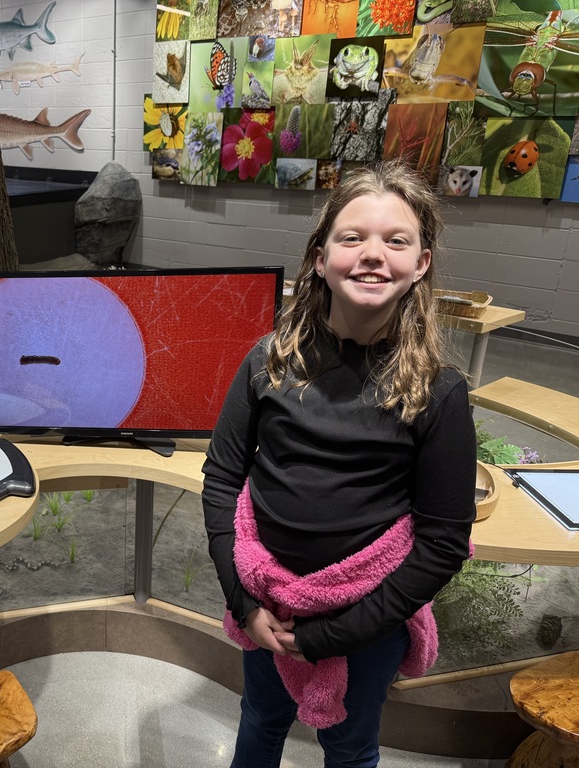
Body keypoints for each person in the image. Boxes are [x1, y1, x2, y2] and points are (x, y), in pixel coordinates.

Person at [201, 162, 475, 768]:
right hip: (267, 605)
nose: (373, 254)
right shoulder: (268, 363)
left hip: (367, 626)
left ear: (421, 264)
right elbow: (222, 479)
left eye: (396, 241)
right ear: (319, 258)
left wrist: (334, 635)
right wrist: (244, 603)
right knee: (260, 719)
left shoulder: (438, 393)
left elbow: (442, 543)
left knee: (350, 747)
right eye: (352, 237)